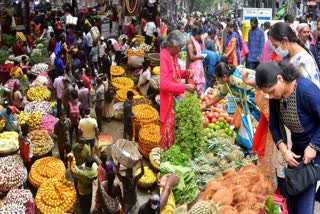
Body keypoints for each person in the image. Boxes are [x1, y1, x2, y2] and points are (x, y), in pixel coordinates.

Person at [255, 61, 320, 214]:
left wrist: (314, 146)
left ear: (280, 78)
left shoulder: (306, 91)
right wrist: (284, 150)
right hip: (296, 151)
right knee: (290, 196)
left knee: (304, 202)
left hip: (313, 154)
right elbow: (274, 125)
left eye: (271, 91)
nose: (271, 96)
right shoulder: (276, 97)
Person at [160, 30, 196, 150]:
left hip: (171, 101)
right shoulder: (163, 56)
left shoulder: (173, 55)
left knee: (170, 130)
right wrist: (184, 87)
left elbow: (175, 73)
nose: (181, 50)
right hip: (165, 101)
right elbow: (164, 83)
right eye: (180, 47)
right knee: (164, 133)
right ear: (174, 45)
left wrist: (186, 73)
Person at [269, 22, 320, 88]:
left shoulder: (302, 61)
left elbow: (310, 91)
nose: (275, 50)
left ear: (285, 40)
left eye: (276, 46)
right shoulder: (289, 56)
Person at [187, 26, 206, 95]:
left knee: (198, 87)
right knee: (193, 85)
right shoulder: (190, 42)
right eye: (200, 35)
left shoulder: (196, 41)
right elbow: (191, 57)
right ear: (197, 35)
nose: (201, 37)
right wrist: (200, 57)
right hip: (193, 66)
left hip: (198, 65)